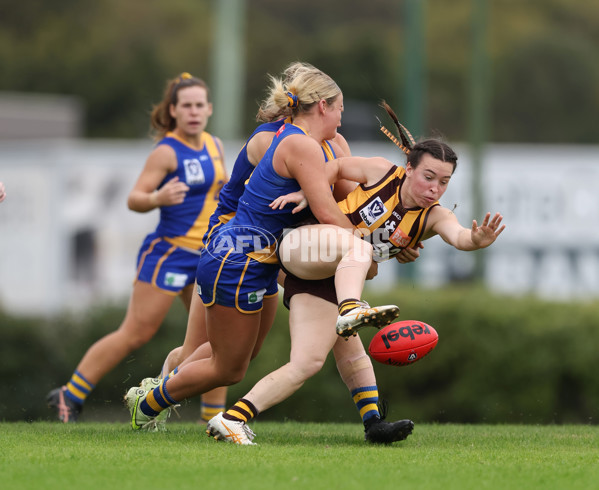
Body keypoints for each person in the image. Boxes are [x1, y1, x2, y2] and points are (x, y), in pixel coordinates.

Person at [125, 62, 400, 434]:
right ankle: (148, 401)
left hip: (266, 255)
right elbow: (325, 211)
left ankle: (372, 417)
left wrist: (394, 236)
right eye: (340, 108)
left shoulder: (327, 143)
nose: (342, 116)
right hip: (237, 251)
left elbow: (344, 203)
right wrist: (370, 247)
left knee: (239, 356)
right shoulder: (282, 140)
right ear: (321, 105)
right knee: (220, 363)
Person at [204, 104, 505, 445]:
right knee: (359, 247)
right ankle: (352, 309)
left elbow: (459, 235)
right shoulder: (381, 171)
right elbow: (334, 167)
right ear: (409, 169)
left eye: (444, 182)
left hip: (325, 278)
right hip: (303, 244)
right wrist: (309, 191)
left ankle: (235, 418)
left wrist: (476, 241)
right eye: (429, 177)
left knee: (312, 362)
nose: (436, 188)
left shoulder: (432, 217)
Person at [46, 72, 227, 422]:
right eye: (186, 105)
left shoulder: (215, 145)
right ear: (173, 111)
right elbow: (134, 199)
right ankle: (69, 396)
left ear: (209, 109)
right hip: (169, 254)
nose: (193, 112)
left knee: (216, 340)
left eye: (199, 105)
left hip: (206, 255)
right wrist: (157, 197)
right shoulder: (166, 151)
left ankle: (213, 419)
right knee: (136, 332)